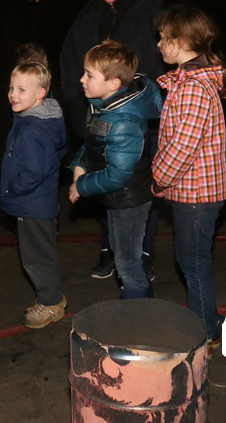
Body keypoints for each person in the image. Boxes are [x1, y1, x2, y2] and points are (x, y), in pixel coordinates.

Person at [59, 0, 165, 281]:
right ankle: (110, 249)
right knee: (103, 181)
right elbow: (69, 57)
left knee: (140, 186)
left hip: (140, 119)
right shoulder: (89, 12)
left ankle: (143, 253)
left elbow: (163, 61)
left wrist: (153, 104)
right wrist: (75, 101)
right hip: (96, 115)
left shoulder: (152, 9)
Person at [151, 4, 226, 345]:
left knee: (193, 264)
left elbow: (183, 146)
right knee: (192, 261)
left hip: (197, 194)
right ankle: (206, 323)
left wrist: (159, 178)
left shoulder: (193, 89)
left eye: (163, 38)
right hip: (194, 191)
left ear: (182, 41)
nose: (158, 44)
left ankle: (206, 333)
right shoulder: (188, 82)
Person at [68, 40, 162, 299]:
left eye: (89, 75)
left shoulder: (122, 120)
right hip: (118, 198)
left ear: (113, 84)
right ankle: (137, 304)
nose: (81, 79)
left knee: (127, 262)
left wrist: (81, 186)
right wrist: (79, 166)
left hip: (129, 200)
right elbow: (93, 143)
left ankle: (138, 312)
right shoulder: (106, 106)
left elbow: (118, 175)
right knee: (123, 255)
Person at [0, 60, 68, 329]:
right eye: (11, 88)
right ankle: (51, 297)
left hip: (32, 204)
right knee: (40, 253)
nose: (13, 94)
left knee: (36, 257)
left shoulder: (31, 129)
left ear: (40, 93)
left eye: (21, 90)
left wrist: (13, 189)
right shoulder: (42, 119)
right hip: (39, 201)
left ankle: (51, 303)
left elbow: (34, 171)